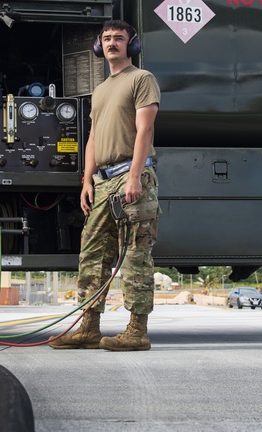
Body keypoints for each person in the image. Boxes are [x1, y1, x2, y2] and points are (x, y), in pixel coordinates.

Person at [49, 20, 161, 352]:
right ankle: (89, 328)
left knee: (135, 257)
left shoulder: (141, 79)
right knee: (93, 255)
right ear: (99, 46)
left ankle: (137, 332)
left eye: (119, 38)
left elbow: (145, 131)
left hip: (132, 177)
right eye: (107, 38)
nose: (112, 43)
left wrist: (134, 177)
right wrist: (87, 180)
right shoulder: (100, 90)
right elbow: (94, 138)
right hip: (103, 183)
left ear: (132, 45)